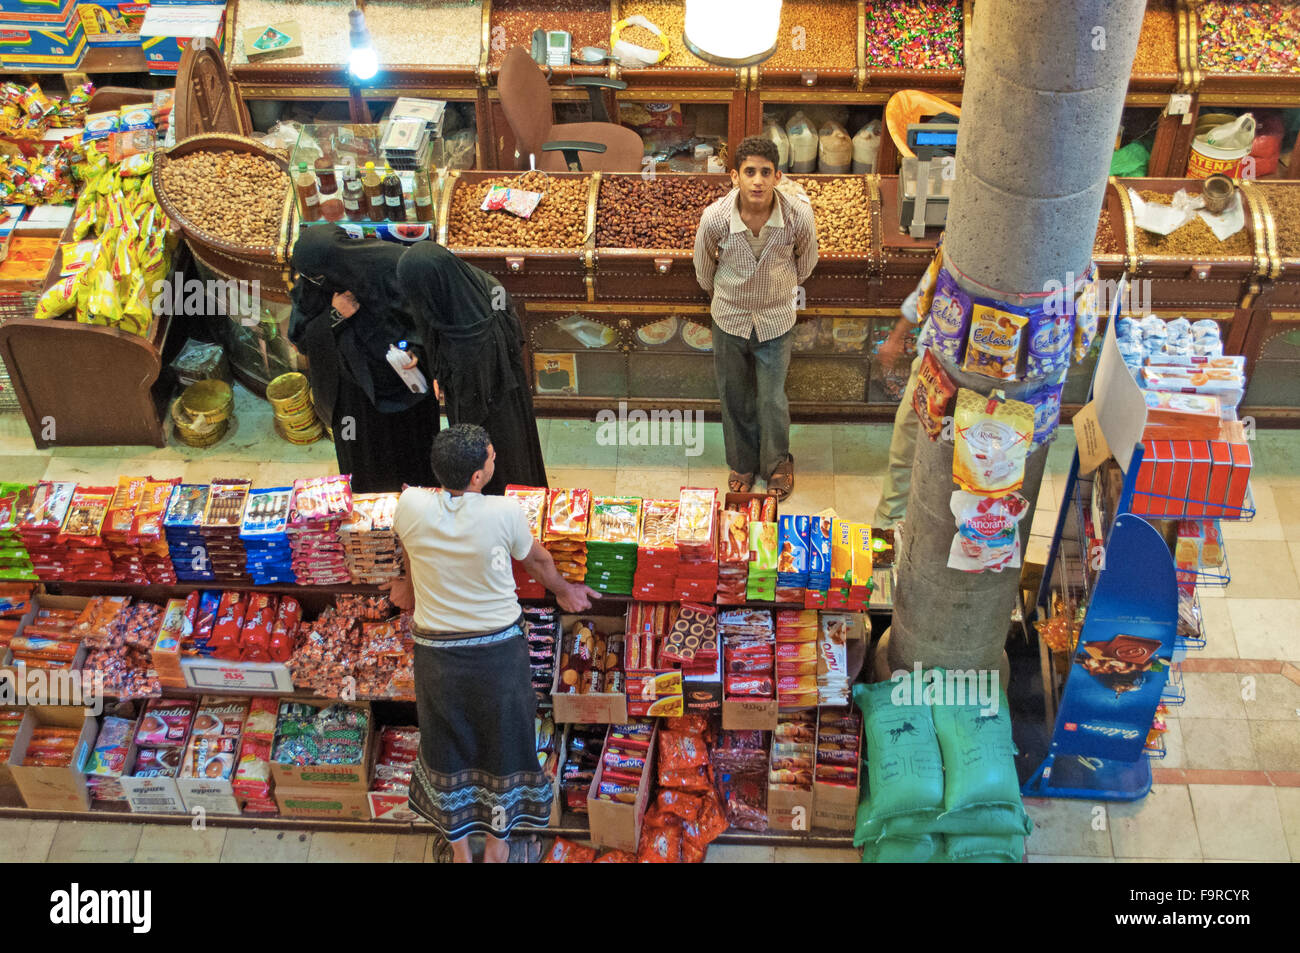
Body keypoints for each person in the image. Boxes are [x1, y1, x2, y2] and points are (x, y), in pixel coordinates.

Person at [386, 423, 596, 863]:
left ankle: (462, 852)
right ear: (478, 477)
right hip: (497, 654)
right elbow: (537, 560)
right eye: (491, 456)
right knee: (505, 744)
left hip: (436, 656)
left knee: (445, 745)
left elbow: (409, 546)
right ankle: (498, 850)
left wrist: (408, 586)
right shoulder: (504, 513)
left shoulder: (408, 504)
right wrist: (562, 590)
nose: (494, 457)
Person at [693, 136, 818, 501]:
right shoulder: (715, 218)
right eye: (750, 172)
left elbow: (806, 263)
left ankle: (777, 463)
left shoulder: (797, 215)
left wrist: (779, 289)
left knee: (771, 399)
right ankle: (742, 463)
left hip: (777, 320)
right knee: (734, 395)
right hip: (729, 319)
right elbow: (704, 270)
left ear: (778, 176)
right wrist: (729, 296)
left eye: (766, 172)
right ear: (735, 177)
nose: (758, 181)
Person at [289, 225, 439, 493]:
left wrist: (418, 351)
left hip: (406, 388)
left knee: (415, 453)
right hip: (355, 397)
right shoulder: (313, 284)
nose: (318, 280)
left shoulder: (389, 264)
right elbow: (301, 338)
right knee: (368, 459)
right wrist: (334, 316)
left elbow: (425, 314)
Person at [397, 242, 547, 494]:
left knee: (498, 466)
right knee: (518, 453)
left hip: (490, 413)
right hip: (511, 392)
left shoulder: (470, 343)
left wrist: (444, 377)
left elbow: (474, 407)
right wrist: (436, 368)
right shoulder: (477, 281)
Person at [874, 274, 933, 528]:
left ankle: (934, 525)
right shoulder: (951, 254)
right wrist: (895, 340)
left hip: (975, 384)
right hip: (929, 368)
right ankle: (888, 519)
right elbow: (920, 297)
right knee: (904, 444)